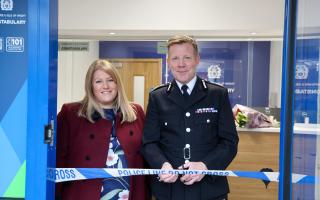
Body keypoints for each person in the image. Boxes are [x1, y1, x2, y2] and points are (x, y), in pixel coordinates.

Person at [141, 35, 239, 200]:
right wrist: (162, 165)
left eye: (187, 57)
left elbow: (229, 142)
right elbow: (149, 143)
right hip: (169, 189)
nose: (181, 64)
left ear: (197, 60)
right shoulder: (157, 97)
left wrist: (205, 166)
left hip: (209, 189)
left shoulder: (217, 94)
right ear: (168, 62)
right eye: (175, 58)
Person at [56, 59, 149, 200]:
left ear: (117, 84)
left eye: (110, 80)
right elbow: (59, 158)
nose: (105, 86)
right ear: (90, 86)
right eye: (98, 81)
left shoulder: (136, 112)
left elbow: (147, 156)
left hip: (129, 194)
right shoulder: (71, 113)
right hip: (84, 194)